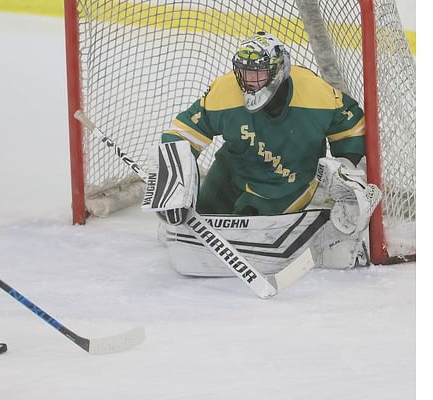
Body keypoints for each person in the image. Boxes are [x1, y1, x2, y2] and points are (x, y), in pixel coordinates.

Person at [146, 31, 381, 276]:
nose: (249, 81)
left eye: (257, 73)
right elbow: (182, 133)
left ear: (279, 70)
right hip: (233, 171)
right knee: (193, 223)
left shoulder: (315, 92)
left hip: (288, 183)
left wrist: (345, 167)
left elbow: (352, 127)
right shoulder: (224, 90)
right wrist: (173, 185)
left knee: (254, 234)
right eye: (244, 72)